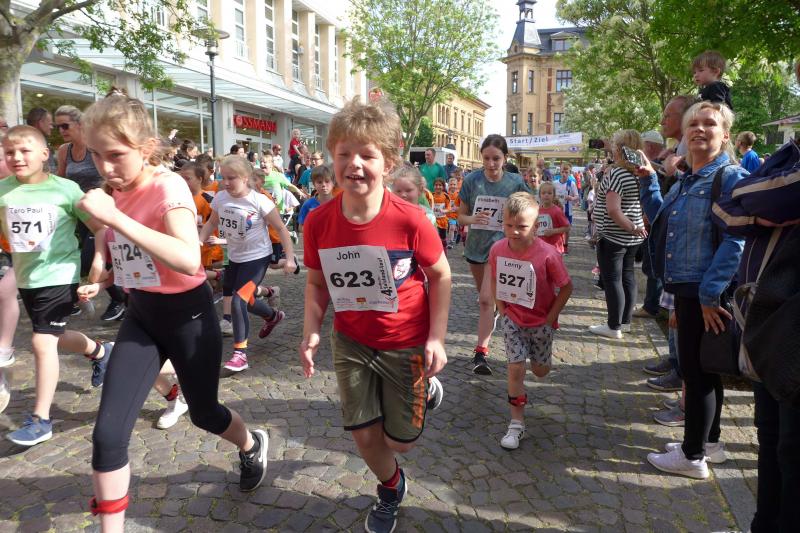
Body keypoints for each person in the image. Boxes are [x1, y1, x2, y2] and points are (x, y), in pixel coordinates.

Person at [77, 92, 268, 530]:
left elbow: (186, 258)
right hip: (142, 314)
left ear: (146, 148)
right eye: (97, 155)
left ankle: (251, 443)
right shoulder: (112, 190)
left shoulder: (168, 186)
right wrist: (101, 280)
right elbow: (130, 256)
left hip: (189, 316)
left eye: (116, 155)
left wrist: (115, 218)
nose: (106, 167)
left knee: (205, 414)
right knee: (108, 435)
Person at [300, 98, 449, 533]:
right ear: (332, 158)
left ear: (388, 162)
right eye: (344, 154)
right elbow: (316, 284)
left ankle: (426, 388)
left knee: (400, 442)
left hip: (405, 340)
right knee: (365, 435)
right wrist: (311, 332)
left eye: (367, 155)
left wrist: (436, 338)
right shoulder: (319, 222)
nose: (355, 164)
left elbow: (441, 276)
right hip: (351, 340)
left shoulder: (411, 220)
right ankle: (390, 487)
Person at [712, 60, 800, 532]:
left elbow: (775, 195)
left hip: (791, 324)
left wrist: (754, 198)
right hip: (767, 317)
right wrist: (756, 199)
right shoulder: (791, 150)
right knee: (770, 438)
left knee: (791, 447)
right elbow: (728, 206)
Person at [640, 100, 747, 479]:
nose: (700, 129)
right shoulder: (688, 178)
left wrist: (709, 293)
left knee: (696, 372)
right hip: (686, 287)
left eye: (709, 124)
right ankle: (710, 444)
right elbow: (661, 220)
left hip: (703, 290)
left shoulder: (728, 177)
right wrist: (647, 180)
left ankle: (692, 455)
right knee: (706, 369)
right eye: (693, 124)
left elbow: (736, 239)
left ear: (725, 134)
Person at [0, 125, 112, 446]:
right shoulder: (3, 190)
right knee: (54, 336)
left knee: (41, 341)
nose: (17, 157)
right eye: (10, 152)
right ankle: (100, 352)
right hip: (27, 277)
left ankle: (41, 419)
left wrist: (98, 261)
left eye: (25, 151)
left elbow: (100, 227)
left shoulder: (66, 189)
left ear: (44, 154)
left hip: (60, 275)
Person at [484, 192, 572, 449]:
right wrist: (502, 309)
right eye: (508, 225)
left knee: (540, 371)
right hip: (513, 319)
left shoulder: (548, 254)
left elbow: (566, 287)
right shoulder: (497, 249)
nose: (514, 232)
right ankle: (516, 423)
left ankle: (541, 360)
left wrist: (550, 318)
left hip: (541, 323)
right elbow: (495, 279)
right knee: (515, 369)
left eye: (521, 226)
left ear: (535, 226)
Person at [199, 155, 295, 372]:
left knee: (238, 300)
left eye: (231, 178)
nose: (225, 182)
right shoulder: (221, 198)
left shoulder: (259, 201)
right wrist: (198, 241)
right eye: (223, 177)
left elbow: (281, 229)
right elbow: (212, 222)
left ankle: (240, 354)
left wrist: (289, 258)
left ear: (245, 177)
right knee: (248, 300)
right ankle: (273, 316)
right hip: (235, 258)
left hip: (257, 258)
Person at [458, 135, 530, 375]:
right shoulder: (471, 180)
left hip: (502, 248)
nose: (491, 164)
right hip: (475, 248)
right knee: (486, 298)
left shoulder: (515, 182)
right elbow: (461, 216)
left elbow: (531, 208)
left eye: (496, 158)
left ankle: (481, 353)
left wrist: (516, 225)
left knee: (485, 300)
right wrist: (473, 219)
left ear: (505, 158)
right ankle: (495, 312)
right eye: (487, 158)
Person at [55, 105, 128, 321]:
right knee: (90, 259)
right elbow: (61, 180)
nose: (61, 130)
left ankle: (120, 299)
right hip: (78, 212)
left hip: (102, 211)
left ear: (80, 124)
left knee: (92, 259)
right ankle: (119, 297)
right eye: (58, 127)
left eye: (65, 125)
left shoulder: (94, 148)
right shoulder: (64, 150)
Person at [589, 130, 647, 339]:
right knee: (627, 277)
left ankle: (613, 326)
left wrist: (630, 226)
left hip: (614, 235)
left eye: (614, 145)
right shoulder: (638, 173)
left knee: (613, 280)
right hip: (631, 237)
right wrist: (634, 228)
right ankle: (625, 322)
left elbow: (613, 210)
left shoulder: (617, 174)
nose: (612, 148)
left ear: (621, 149)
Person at [536, 182, 570, 254]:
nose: (546, 195)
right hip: (541, 247)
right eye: (543, 193)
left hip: (555, 247)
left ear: (554, 196)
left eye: (549, 193)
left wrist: (553, 231)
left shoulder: (557, 211)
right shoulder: (537, 211)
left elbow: (567, 227)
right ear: (539, 195)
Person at [298, 164, 335, 228]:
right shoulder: (308, 204)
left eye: (327, 181)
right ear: (314, 184)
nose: (323, 185)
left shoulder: (339, 204)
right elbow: (301, 226)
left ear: (333, 183)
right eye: (319, 182)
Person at [553, 163, 579, 254]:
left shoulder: (571, 183)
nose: (564, 174)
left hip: (568, 210)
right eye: (562, 172)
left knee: (567, 229)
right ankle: (557, 244)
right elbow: (552, 194)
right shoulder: (555, 183)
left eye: (566, 172)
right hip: (557, 210)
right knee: (557, 228)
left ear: (569, 173)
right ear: (560, 172)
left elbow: (577, 196)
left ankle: (565, 245)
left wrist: (571, 198)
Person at [431, 178, 451, 249]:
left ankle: (444, 251)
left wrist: (444, 210)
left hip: (443, 220)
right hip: (433, 220)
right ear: (433, 186)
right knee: (434, 237)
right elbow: (428, 207)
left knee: (443, 239)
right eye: (436, 185)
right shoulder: (431, 196)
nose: (438, 187)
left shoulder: (446, 196)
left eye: (440, 185)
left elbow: (449, 208)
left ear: (443, 187)